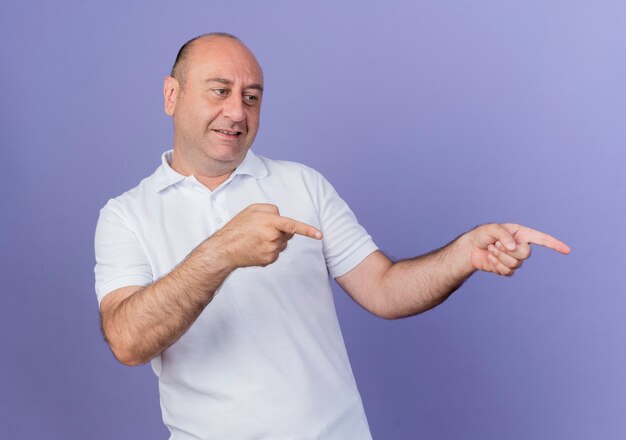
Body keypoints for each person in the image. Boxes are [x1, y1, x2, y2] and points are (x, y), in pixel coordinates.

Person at [94, 32, 570, 440]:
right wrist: (222, 252)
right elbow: (128, 341)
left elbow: (384, 289)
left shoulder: (303, 184)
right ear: (171, 96)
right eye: (219, 91)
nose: (236, 112)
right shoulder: (126, 216)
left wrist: (463, 254)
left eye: (251, 97)